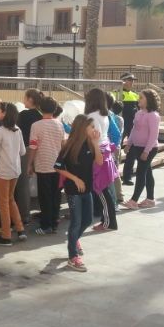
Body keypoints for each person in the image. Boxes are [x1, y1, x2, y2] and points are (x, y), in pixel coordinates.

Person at [54, 115, 103, 272]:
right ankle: (72, 257)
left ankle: (74, 240)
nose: (94, 130)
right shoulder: (69, 145)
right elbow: (58, 166)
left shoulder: (90, 144)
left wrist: (96, 143)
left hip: (87, 189)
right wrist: (75, 179)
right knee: (76, 221)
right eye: (91, 127)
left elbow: (100, 162)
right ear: (83, 128)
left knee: (87, 220)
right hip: (73, 191)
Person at [0, 102, 27, 246]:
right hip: (15, 170)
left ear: (4, 113)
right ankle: (20, 229)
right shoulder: (18, 130)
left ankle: (6, 235)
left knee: (3, 203)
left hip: (3, 171)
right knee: (10, 200)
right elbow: (23, 151)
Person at [27, 97, 65, 235]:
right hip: (58, 165)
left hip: (43, 164)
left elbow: (33, 146)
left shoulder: (36, 125)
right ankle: (54, 222)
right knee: (56, 195)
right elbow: (63, 144)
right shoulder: (59, 124)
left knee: (45, 196)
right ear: (55, 109)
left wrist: (29, 164)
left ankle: (46, 225)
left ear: (40, 108)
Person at [84, 88, 119, 231]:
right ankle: (107, 221)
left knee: (101, 190)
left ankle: (109, 223)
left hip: (98, 153)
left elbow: (94, 136)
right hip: (106, 151)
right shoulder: (104, 115)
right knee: (106, 190)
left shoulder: (91, 116)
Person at [122, 89, 162, 209]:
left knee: (141, 173)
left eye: (141, 97)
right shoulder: (139, 113)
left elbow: (153, 135)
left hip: (149, 149)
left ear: (149, 100)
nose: (138, 99)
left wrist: (146, 151)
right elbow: (134, 129)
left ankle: (134, 201)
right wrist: (129, 143)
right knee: (147, 173)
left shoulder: (153, 116)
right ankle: (150, 199)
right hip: (137, 147)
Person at [16, 88, 43, 224]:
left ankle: (23, 215)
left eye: (25, 97)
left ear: (30, 99)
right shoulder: (40, 115)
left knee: (22, 184)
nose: (23, 100)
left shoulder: (23, 115)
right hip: (39, 150)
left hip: (25, 150)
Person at [114, 73, 139, 186]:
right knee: (116, 150)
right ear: (122, 81)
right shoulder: (115, 93)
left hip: (132, 126)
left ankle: (127, 177)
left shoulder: (135, 95)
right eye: (129, 80)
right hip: (119, 125)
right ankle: (114, 175)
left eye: (133, 80)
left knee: (132, 151)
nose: (132, 82)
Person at [107, 95, 125, 204]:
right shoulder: (120, 119)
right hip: (117, 147)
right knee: (115, 171)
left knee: (113, 172)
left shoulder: (111, 117)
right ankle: (120, 195)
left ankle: (115, 195)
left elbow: (114, 134)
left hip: (112, 147)